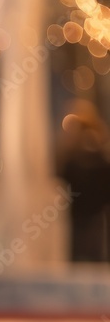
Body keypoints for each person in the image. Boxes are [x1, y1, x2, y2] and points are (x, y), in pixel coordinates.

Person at [55, 99, 110, 262]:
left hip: (92, 216)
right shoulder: (72, 154)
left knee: (90, 258)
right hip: (81, 215)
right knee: (82, 258)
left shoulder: (95, 153)